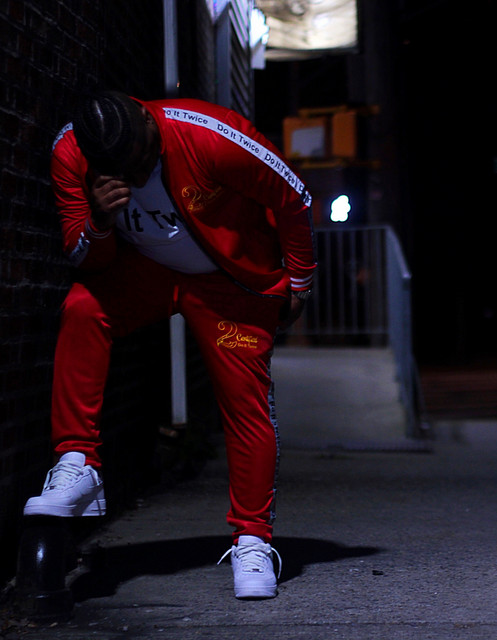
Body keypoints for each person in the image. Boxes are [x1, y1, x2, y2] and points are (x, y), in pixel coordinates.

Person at [23, 90, 316, 599]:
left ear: (146, 117)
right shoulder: (71, 153)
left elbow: (294, 196)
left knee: (245, 403)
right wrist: (99, 221)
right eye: (126, 171)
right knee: (83, 307)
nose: (140, 176)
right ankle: (78, 463)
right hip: (149, 270)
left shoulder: (209, 136)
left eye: (145, 160)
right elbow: (85, 258)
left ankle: (252, 540)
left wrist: (300, 280)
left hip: (227, 282)